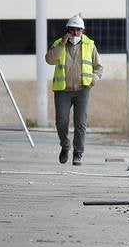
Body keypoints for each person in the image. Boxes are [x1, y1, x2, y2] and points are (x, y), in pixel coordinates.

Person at [44, 14, 102, 165]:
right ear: (67, 30)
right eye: (72, 30)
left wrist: (93, 80)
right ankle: (65, 145)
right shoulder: (59, 43)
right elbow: (49, 60)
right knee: (61, 122)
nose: (75, 33)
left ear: (82, 30)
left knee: (80, 122)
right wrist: (62, 44)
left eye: (78, 30)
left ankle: (78, 153)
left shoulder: (90, 45)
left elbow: (99, 67)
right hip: (62, 90)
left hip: (82, 89)